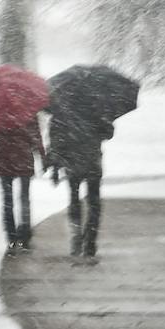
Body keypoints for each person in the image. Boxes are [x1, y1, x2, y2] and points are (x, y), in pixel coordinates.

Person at [47, 107, 112, 261]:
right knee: (94, 202)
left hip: (72, 162)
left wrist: (55, 167)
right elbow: (109, 133)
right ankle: (90, 240)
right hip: (92, 162)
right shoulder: (97, 108)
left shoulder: (61, 110)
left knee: (74, 199)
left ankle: (76, 236)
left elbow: (55, 139)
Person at [0, 115, 45, 253]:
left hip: (4, 158)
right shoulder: (28, 111)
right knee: (24, 199)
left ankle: (11, 238)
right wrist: (42, 156)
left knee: (7, 200)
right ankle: (25, 236)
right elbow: (36, 137)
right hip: (23, 157)